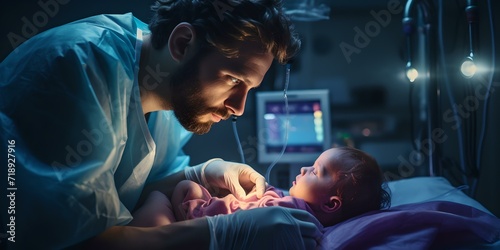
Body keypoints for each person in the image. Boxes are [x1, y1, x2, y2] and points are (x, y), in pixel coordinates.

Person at [0, 0, 324, 249]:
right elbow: (81, 240)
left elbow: (129, 198)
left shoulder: (171, 99)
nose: (237, 107)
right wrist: (222, 233)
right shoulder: (81, 66)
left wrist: (197, 173)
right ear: (182, 43)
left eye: (249, 89)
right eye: (232, 79)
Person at [129, 147, 392, 228]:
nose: (303, 169)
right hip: (205, 213)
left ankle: (131, 234)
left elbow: (256, 213)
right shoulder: (291, 204)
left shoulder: (292, 215)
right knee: (187, 186)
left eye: (316, 171)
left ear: (331, 203)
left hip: (196, 220)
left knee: (159, 196)